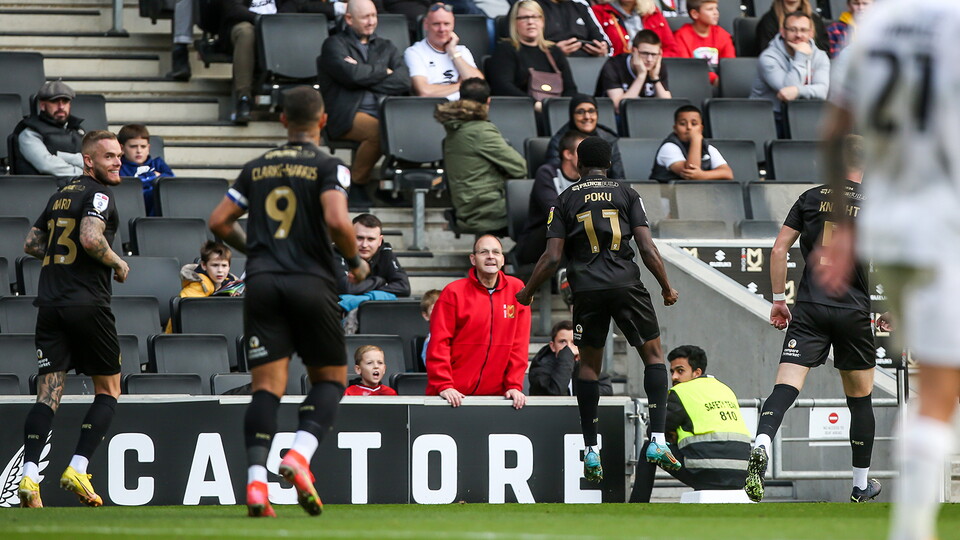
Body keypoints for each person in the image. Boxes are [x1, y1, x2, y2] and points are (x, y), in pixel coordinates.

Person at [814, 3, 960, 537]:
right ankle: (911, 529)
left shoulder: (872, 26)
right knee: (941, 387)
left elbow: (834, 131)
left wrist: (841, 227)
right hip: (945, 221)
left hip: (889, 225)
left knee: (924, 378)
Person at [208, 86, 371, 518]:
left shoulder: (256, 167)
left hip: (262, 284)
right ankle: (299, 455)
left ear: (282, 119)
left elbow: (219, 221)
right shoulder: (328, 165)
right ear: (322, 122)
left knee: (266, 390)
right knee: (331, 379)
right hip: (311, 282)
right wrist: (355, 261)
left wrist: (255, 251)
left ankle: (256, 485)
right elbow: (337, 219)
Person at [516, 136, 680, 483]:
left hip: (587, 289)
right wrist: (666, 287)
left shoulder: (563, 200)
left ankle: (591, 449)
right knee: (653, 356)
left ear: (577, 163)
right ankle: (658, 440)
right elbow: (647, 248)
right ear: (608, 163)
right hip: (626, 284)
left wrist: (528, 292)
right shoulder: (627, 194)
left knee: (588, 365)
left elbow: (552, 257)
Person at [744, 134, 880, 504]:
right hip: (853, 310)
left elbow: (778, 250)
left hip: (810, 307)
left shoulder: (809, 197)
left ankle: (761, 441)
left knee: (786, 387)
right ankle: (860, 485)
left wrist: (777, 300)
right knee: (860, 401)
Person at [17, 130, 130, 509]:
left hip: (50, 305)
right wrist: (117, 261)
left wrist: (62, 263)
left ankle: (30, 476)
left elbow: (32, 244)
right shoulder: (99, 194)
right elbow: (89, 237)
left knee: (48, 394)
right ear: (89, 160)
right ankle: (77, 468)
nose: (118, 161)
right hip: (87, 305)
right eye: (110, 156)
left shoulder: (59, 195)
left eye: (119, 155)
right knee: (108, 389)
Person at [318, 0, 411, 209]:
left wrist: (363, 72)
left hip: (384, 112)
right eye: (365, 17)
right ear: (349, 19)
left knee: (410, 128)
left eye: (374, 16)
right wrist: (382, 71)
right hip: (346, 114)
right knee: (380, 132)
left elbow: (403, 80)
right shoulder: (334, 45)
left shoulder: (386, 46)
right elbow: (350, 76)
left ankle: (386, 182)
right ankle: (357, 184)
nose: (371, 22)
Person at [630, 345, 750, 502]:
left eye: (680, 371)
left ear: (697, 372)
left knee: (650, 447)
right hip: (740, 474)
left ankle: (637, 504)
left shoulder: (681, 392)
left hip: (706, 473)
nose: (674, 377)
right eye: (672, 371)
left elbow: (654, 431)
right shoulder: (725, 389)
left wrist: (672, 435)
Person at [425, 235, 531, 409]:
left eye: (496, 252)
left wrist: (513, 385)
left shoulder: (517, 290)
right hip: (451, 396)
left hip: (496, 398)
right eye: (484, 252)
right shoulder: (453, 292)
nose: (491, 256)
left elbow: (519, 345)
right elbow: (439, 342)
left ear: (503, 259)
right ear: (473, 259)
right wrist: (444, 385)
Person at [434, 77, 527, 235]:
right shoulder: (480, 131)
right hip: (486, 210)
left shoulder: (455, 129)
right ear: (488, 102)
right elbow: (520, 168)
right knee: (550, 210)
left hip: (468, 206)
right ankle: (521, 256)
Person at [749, 11, 829, 137]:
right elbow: (787, 93)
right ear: (782, 31)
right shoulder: (768, 57)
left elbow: (822, 91)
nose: (798, 35)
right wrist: (801, 56)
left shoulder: (820, 56)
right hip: (770, 117)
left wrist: (797, 91)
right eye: (793, 30)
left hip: (803, 115)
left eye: (803, 30)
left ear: (811, 33)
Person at [487, 0, 578, 112]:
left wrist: (560, 108)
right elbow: (502, 86)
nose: (530, 22)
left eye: (535, 17)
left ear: (542, 21)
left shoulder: (554, 51)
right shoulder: (506, 48)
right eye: (524, 18)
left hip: (556, 112)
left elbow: (570, 88)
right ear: (514, 22)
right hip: (522, 111)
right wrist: (534, 104)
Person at [514, 129, 585, 266]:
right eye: (582, 152)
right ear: (568, 154)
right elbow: (553, 211)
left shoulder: (587, 178)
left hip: (575, 239)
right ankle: (565, 280)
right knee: (559, 225)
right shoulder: (547, 173)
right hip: (535, 243)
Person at [404, 3, 485, 101]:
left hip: (465, 107)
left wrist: (453, 53)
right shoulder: (414, 52)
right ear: (426, 24)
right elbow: (424, 92)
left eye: (446, 24)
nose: (442, 29)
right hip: (433, 108)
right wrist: (462, 85)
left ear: (453, 24)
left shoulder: (461, 51)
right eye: (436, 24)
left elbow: (479, 87)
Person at [10, 80, 84, 179]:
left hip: (79, 188)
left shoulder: (78, 130)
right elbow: (47, 165)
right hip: (44, 190)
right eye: (55, 101)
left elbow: (92, 161)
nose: (61, 106)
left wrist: (61, 156)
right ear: (42, 105)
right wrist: (84, 174)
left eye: (65, 101)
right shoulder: (29, 133)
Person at [545, 95, 624, 179]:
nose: (587, 116)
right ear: (572, 115)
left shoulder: (608, 139)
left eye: (591, 111)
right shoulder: (559, 141)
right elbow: (554, 177)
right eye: (580, 112)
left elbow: (618, 176)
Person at [334, 213, 411, 297]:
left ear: (380, 241)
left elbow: (404, 287)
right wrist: (379, 281)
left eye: (370, 239)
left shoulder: (385, 252)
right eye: (359, 238)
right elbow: (347, 288)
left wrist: (368, 290)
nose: (364, 245)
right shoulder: (338, 251)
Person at [650, 105, 733, 182]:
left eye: (694, 124)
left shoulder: (708, 148)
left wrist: (702, 175)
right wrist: (696, 139)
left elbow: (728, 173)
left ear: (701, 128)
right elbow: (690, 174)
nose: (689, 127)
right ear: (675, 128)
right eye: (682, 124)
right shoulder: (668, 147)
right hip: (669, 196)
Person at [529, 320, 613, 396]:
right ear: (552, 346)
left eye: (574, 342)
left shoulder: (586, 362)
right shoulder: (541, 366)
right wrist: (567, 356)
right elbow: (555, 392)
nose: (569, 347)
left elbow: (607, 390)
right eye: (562, 342)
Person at [599, 30, 672, 114]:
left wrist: (655, 78)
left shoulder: (658, 66)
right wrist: (641, 76)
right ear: (634, 51)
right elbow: (618, 108)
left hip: (648, 115)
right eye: (645, 53)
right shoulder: (614, 65)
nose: (649, 59)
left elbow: (668, 106)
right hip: (617, 118)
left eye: (654, 54)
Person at [117, 124, 175, 216]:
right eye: (133, 146)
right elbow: (130, 187)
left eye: (143, 146)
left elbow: (170, 182)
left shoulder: (158, 163)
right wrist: (153, 177)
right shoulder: (119, 166)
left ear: (148, 148)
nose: (139, 150)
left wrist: (142, 181)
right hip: (133, 205)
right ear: (122, 148)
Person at [673, 0, 735, 86]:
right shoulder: (681, 36)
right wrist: (713, 78)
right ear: (695, 14)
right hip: (693, 84)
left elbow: (730, 65)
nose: (716, 13)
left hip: (721, 84)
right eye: (710, 9)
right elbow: (686, 67)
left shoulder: (723, 35)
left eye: (716, 8)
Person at [591, 0, 681, 57]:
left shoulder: (653, 12)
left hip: (652, 71)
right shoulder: (599, 12)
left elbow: (672, 50)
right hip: (617, 72)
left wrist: (651, 59)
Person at [533, 0, 609, 58]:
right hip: (546, 68)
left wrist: (603, 49)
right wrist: (553, 52)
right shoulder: (529, 5)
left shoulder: (581, 4)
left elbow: (604, 43)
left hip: (586, 65)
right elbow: (524, 48)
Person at [755, 0, 828, 53]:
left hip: (812, 67)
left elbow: (824, 50)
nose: (798, 35)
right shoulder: (768, 21)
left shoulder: (815, 20)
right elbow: (767, 52)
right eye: (792, 30)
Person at [418, 289, 441, 368]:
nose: (441, 312)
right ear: (426, 316)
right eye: (435, 309)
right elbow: (433, 367)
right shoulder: (430, 341)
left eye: (445, 308)